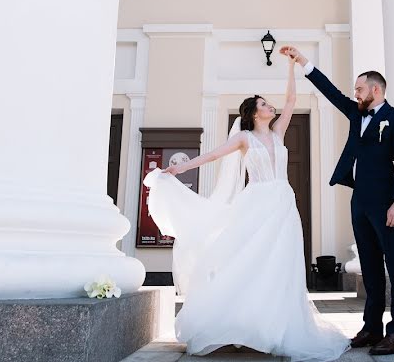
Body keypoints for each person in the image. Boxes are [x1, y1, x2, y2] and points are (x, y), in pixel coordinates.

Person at [143, 51, 349, 362]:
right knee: (249, 261)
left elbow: (292, 100)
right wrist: (181, 169)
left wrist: (293, 67)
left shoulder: (278, 133)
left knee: (281, 265)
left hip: (283, 205)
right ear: (254, 113)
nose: (271, 106)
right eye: (264, 104)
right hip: (256, 204)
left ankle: (274, 327)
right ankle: (236, 323)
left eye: (269, 103)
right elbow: (213, 155)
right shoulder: (243, 139)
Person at [279, 45, 394, 356]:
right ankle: (371, 328)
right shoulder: (356, 112)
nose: (355, 94)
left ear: (375, 90)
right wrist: (302, 61)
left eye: (359, 89)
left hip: (386, 202)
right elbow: (330, 92)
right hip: (359, 201)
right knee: (369, 266)